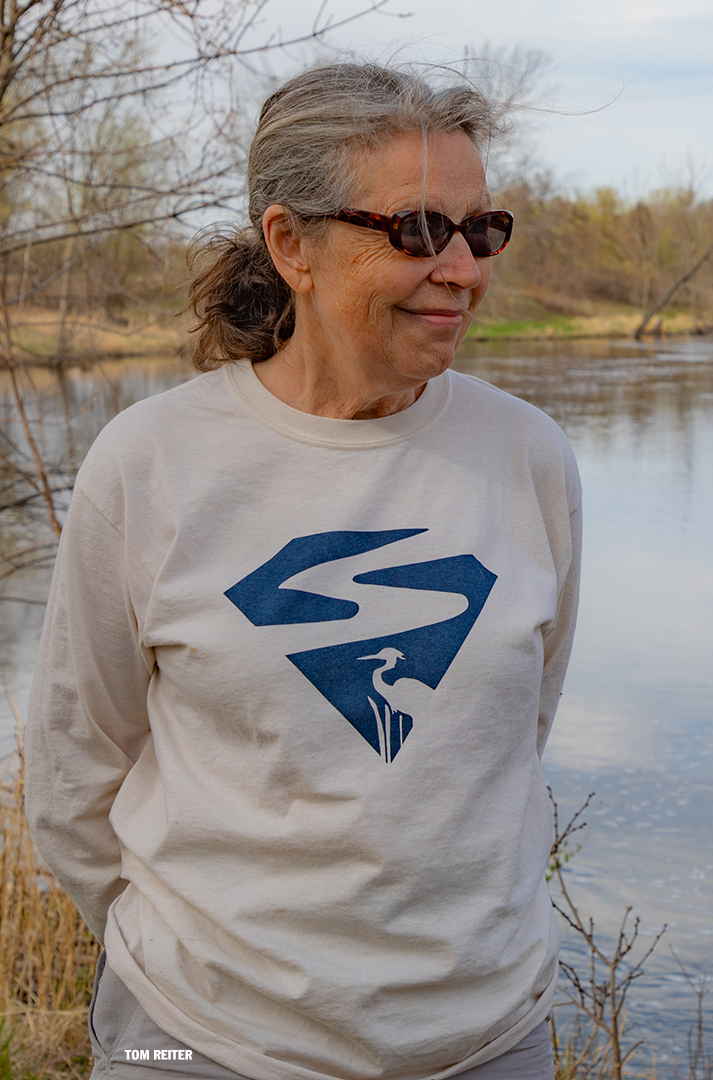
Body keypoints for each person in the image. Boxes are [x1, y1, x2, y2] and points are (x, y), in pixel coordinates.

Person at [23, 62, 580, 1080]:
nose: (460, 269)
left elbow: (509, 732)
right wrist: (206, 973)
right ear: (291, 245)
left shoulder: (527, 455)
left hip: (485, 1039)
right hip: (201, 1039)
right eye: (414, 231)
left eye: (481, 230)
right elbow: (72, 771)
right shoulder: (151, 463)